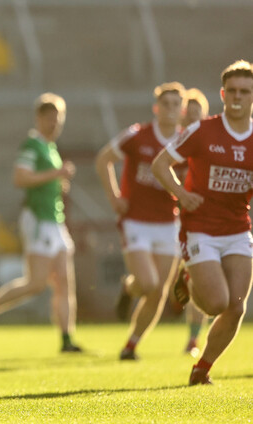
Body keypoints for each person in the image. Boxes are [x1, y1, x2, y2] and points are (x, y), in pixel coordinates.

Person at [152, 60, 253, 385]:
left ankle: (202, 369)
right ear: (223, 94)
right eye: (232, 91)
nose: (238, 96)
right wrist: (181, 194)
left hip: (237, 229)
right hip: (200, 229)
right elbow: (160, 164)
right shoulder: (203, 130)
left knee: (236, 307)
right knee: (215, 303)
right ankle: (188, 277)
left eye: (245, 91)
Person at [0, 93, 82, 353]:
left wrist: (57, 182)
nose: (54, 123)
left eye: (58, 119)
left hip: (56, 220)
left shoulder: (50, 147)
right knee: (36, 284)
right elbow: (20, 178)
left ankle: (67, 340)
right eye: (50, 118)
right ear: (38, 118)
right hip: (39, 220)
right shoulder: (32, 144)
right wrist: (57, 174)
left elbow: (43, 179)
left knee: (64, 282)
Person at [95, 82, 185, 360]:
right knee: (147, 283)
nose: (170, 109)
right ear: (156, 108)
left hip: (168, 222)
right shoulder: (137, 135)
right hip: (136, 221)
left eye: (176, 104)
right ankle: (128, 287)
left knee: (160, 291)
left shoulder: (186, 141)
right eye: (165, 104)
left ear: (181, 110)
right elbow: (103, 160)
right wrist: (114, 197)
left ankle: (131, 346)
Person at [175, 88, 210, 357]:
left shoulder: (211, 142)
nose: (193, 116)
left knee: (202, 279)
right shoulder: (174, 142)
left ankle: (193, 339)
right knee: (155, 281)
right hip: (171, 219)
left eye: (198, 112)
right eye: (190, 112)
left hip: (202, 220)